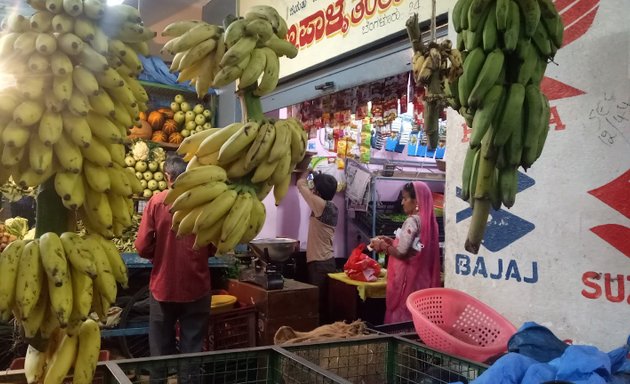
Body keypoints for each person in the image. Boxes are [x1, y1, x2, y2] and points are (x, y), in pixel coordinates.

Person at [135, 153, 215, 382]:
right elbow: (215, 245)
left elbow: (141, 246)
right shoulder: (205, 202)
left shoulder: (157, 202)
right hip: (197, 287)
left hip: (163, 288)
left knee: (159, 350)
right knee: (191, 350)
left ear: (168, 176)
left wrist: (158, 255)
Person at [369, 181, 441, 323]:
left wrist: (382, 245)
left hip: (409, 278)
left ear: (416, 201)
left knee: (404, 312)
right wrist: (391, 241)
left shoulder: (412, 221)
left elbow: (402, 252)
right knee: (419, 312)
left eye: (405, 198)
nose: (402, 203)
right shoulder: (429, 222)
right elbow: (413, 247)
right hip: (423, 276)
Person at [296, 170, 338, 324]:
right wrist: (314, 177)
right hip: (327, 261)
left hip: (319, 264)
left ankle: (321, 336)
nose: (312, 191)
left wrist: (305, 171)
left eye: (315, 190)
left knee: (318, 306)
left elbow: (301, 185)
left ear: (318, 192)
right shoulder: (331, 207)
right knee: (325, 303)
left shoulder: (321, 205)